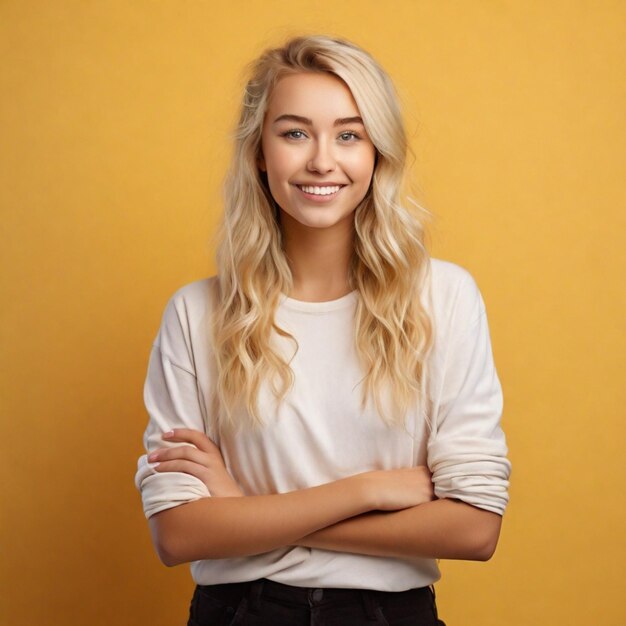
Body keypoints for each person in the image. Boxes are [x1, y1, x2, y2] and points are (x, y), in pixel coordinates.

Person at [135, 35, 511, 626]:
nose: (321, 161)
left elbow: (474, 527)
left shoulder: (443, 299)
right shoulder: (196, 314)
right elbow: (178, 534)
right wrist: (368, 491)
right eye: (294, 133)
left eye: (348, 134)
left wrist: (248, 514)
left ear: (377, 152)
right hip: (240, 614)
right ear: (259, 151)